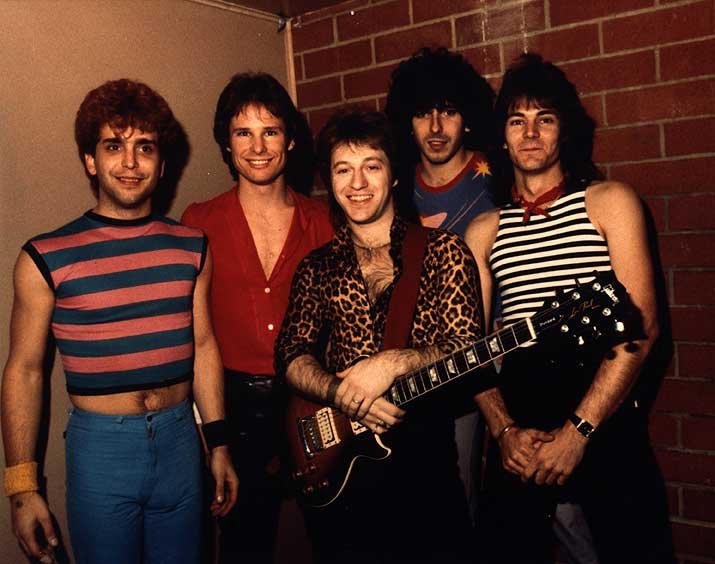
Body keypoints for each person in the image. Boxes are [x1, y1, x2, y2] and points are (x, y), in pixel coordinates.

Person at [1, 79, 238, 564]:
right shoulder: (45, 256)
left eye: (144, 147)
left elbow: (204, 345)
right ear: (91, 160)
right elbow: (24, 371)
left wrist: (218, 445)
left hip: (180, 443)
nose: (130, 163)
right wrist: (22, 489)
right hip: (100, 451)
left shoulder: (192, 246)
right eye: (114, 146)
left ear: (162, 163)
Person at [465, 53, 674, 563]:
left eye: (545, 119)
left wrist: (579, 432)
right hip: (520, 423)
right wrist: (503, 430)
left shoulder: (609, 201)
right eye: (517, 120)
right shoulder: (484, 230)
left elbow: (643, 325)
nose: (530, 133)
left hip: (603, 412)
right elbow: (469, 348)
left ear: (565, 131)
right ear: (502, 136)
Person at [275, 110, 482, 564]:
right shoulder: (317, 267)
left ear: (394, 175)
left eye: (371, 165)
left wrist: (392, 363)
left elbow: (468, 349)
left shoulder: (444, 252)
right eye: (342, 169)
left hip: (425, 461)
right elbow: (290, 353)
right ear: (329, 181)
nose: (357, 183)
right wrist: (341, 394)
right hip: (344, 465)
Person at [181, 72, 333, 563]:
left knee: (333, 537)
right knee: (244, 546)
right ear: (227, 145)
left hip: (313, 402)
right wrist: (212, 434)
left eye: (270, 131)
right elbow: (193, 338)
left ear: (290, 139)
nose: (258, 147)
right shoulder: (198, 222)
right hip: (233, 409)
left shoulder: (325, 221)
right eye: (243, 133)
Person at [385, 46, 496, 518]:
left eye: (448, 111)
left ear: (467, 117)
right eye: (422, 113)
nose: (435, 127)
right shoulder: (393, 185)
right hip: (411, 370)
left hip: (485, 363)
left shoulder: (497, 177)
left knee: (466, 498)